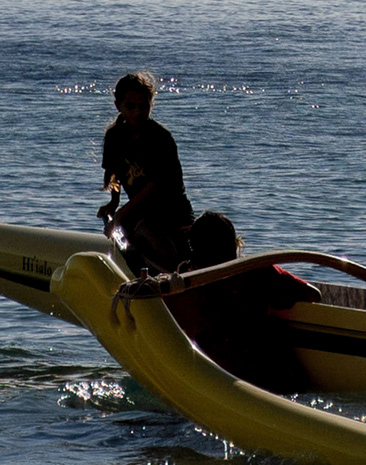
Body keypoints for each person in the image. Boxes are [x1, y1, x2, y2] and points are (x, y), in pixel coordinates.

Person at [164, 211, 316, 395]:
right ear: (235, 244)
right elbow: (312, 294)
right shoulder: (259, 271)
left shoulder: (181, 288)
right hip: (278, 377)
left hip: (223, 381)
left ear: (193, 246)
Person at [97, 73, 197, 276]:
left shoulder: (160, 138)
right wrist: (114, 203)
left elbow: (152, 186)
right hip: (141, 209)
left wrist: (120, 215)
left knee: (147, 230)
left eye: (143, 106)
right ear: (118, 106)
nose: (137, 112)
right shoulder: (114, 137)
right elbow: (114, 174)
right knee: (132, 228)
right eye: (130, 106)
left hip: (172, 209)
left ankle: (178, 277)